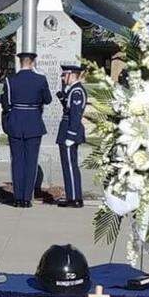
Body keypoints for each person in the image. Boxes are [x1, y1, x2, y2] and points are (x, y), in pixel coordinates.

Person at [1, 51, 52, 208]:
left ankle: (17, 198)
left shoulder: (10, 80)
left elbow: (6, 103)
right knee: (31, 161)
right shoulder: (40, 79)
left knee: (17, 161)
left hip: (16, 122)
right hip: (33, 123)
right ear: (33, 62)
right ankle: (26, 198)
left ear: (20, 62)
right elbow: (48, 100)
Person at [55, 64, 87, 208]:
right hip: (67, 129)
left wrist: (71, 135)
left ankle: (74, 198)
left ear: (72, 75)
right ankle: (72, 196)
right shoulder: (72, 90)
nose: (62, 77)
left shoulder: (77, 92)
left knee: (70, 166)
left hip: (69, 131)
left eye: (64, 75)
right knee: (67, 166)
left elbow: (75, 115)